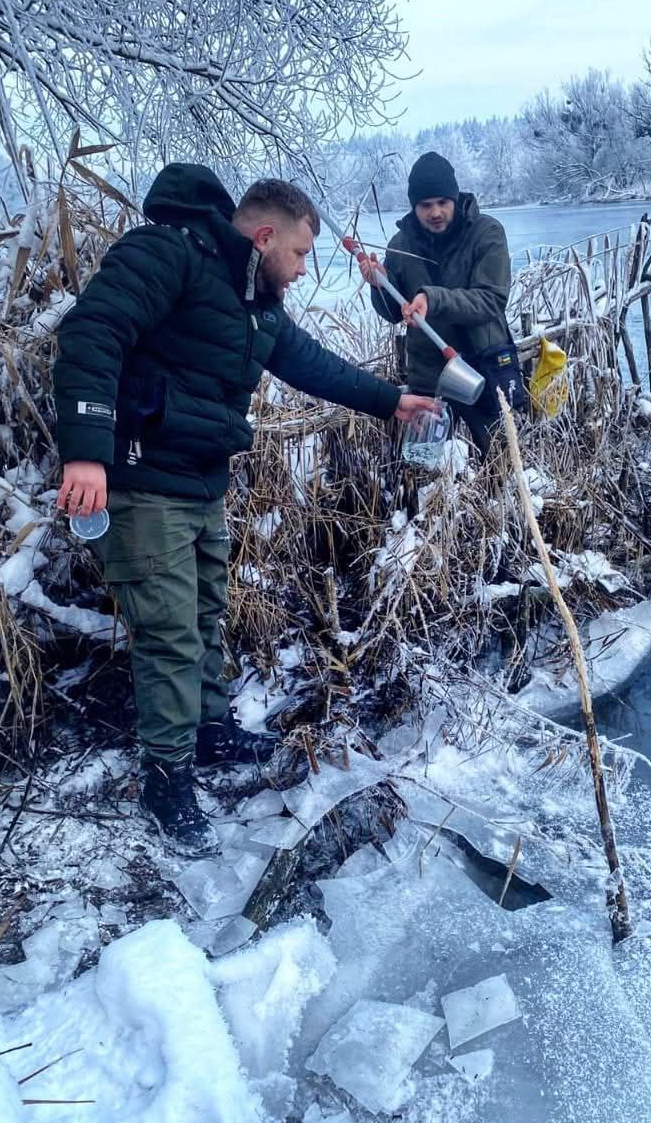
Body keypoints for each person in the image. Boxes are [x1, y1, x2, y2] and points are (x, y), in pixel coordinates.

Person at [53, 166, 433, 857]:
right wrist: (84, 451)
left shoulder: (253, 298)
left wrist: (391, 400)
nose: (301, 271)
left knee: (203, 612)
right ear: (264, 237)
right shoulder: (168, 253)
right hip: (141, 481)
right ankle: (165, 782)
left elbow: (311, 363)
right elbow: (92, 332)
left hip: (201, 482)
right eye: (299, 255)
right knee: (167, 632)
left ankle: (207, 729)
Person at [362, 151, 523, 455]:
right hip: (429, 381)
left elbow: (492, 300)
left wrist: (431, 299)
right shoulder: (399, 245)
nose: (435, 212)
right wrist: (380, 285)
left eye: (442, 202)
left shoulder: (487, 233)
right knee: (428, 472)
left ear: (455, 198)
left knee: (497, 465)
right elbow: (392, 314)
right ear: (414, 206)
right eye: (425, 205)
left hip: (482, 371)